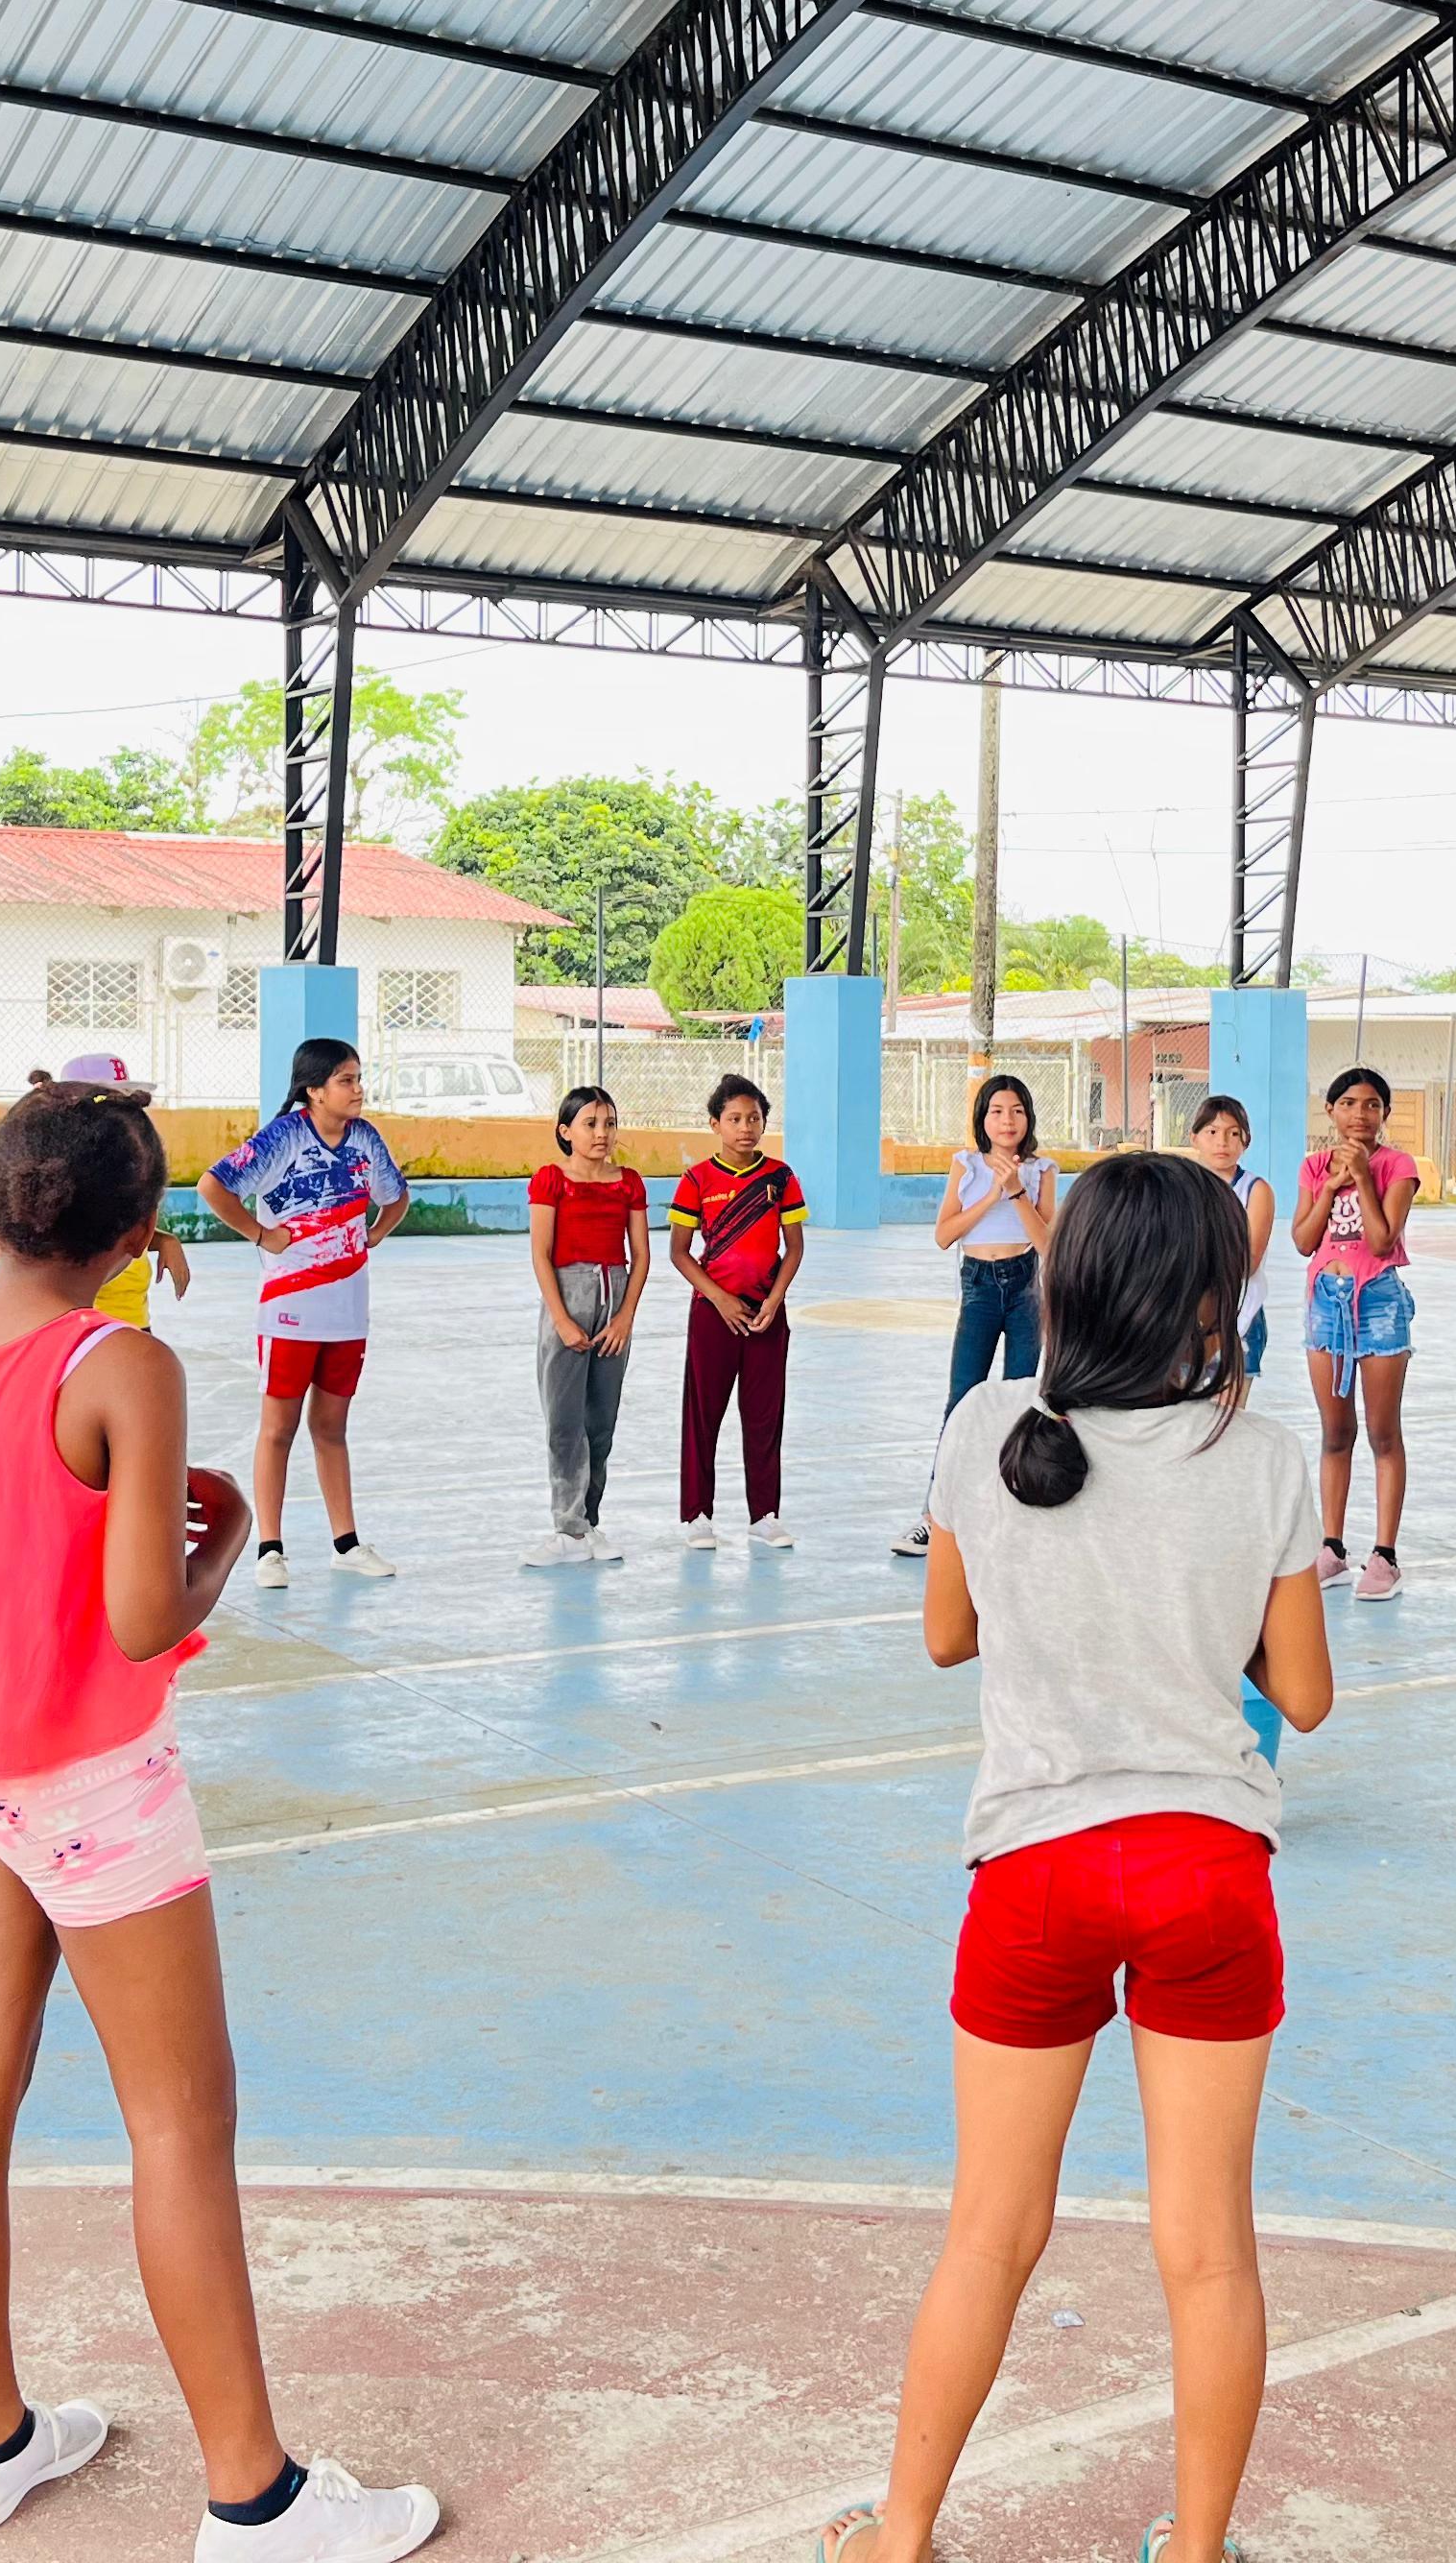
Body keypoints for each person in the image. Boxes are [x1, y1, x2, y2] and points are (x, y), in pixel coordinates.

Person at [0, 1085, 441, 2555]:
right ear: (140, 1233)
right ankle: (254, 2497)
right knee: (180, 2120)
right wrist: (228, 1536)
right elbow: (141, 1619)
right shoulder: (119, 1361)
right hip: (84, 1778)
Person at [827, 1155, 1330, 2563]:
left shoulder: (990, 1423)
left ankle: (901, 2534)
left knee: (989, 2233)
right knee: (1210, 2250)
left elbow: (947, 1635)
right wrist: (1197, 1623)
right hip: (1208, 1871)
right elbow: (1302, 1694)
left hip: (1034, 1873)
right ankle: (1197, 2549)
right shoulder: (1261, 1454)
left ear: (1067, 1277)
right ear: (1212, 1299)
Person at [203, 1039, 412, 1588]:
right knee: (279, 1429)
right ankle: (270, 1550)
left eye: (358, 1078)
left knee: (332, 1427)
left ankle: (347, 1543)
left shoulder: (365, 1138)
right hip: (290, 1311)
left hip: (349, 1311)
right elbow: (213, 1185)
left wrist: (375, 1234)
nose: (358, 1089)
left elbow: (397, 1196)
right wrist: (260, 1234)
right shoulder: (283, 1137)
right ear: (314, 1090)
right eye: (346, 1080)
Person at [893, 1075, 1057, 1562]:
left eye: (1017, 1111)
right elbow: (944, 1234)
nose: (1008, 1120)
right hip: (979, 1287)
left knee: (1022, 1397)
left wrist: (1017, 1192)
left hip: (1026, 1286)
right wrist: (992, 1194)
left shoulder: (1042, 1170)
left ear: (1028, 1117)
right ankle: (932, 1517)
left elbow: (1047, 1243)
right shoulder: (965, 1165)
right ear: (982, 1119)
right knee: (962, 1400)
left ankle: (1013, 1510)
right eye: (997, 1111)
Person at [1293, 1067, 1417, 1598]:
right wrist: (1331, 1186)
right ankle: (1332, 1548)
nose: (1359, 1114)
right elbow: (1304, 1240)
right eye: (1347, 1103)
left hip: (1379, 1303)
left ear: (1384, 1113)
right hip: (1326, 1303)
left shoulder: (1398, 1166)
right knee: (1335, 1432)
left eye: (1371, 1105)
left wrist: (1363, 1177)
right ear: (1330, 1111)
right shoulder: (1314, 1165)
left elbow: (1383, 1241)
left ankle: (1384, 1555)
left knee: (1383, 1433)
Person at [669, 1073, 806, 1552]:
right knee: (702, 1415)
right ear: (715, 1124)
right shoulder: (696, 1180)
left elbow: (794, 1248)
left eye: (754, 1118)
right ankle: (697, 1515)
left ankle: (764, 1515)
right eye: (734, 1119)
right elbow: (679, 1252)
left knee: (765, 1416)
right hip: (713, 1315)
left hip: (766, 1314)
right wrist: (720, 1299)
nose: (745, 1127)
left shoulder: (781, 1177)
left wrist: (774, 1301)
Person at [524, 1085, 646, 1568]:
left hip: (613, 1300)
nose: (602, 1133)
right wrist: (561, 1319)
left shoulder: (629, 1182)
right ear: (565, 1131)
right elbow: (541, 1253)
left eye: (609, 1123)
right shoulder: (551, 1180)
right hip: (569, 1299)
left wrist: (625, 1318)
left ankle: (588, 1522)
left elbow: (640, 1257)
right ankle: (567, 1527)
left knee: (601, 1422)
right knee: (564, 1420)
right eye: (590, 1124)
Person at [64, 1061, 195, 1331]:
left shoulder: (124, 1164)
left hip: (132, 1322)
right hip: (85, 1331)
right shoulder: (65, 1172)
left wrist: (161, 1239)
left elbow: (118, 1229)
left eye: (125, 1101)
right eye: (107, 1100)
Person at [1185, 1095, 1279, 1382]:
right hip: (1184, 1317)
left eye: (1233, 1133)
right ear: (1194, 1138)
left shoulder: (1255, 1190)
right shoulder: (1181, 1186)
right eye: (1212, 1132)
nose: (1222, 1142)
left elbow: (1247, 1263)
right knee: (1181, 1405)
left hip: (1239, 1314)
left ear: (1245, 1141)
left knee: (1228, 1408)